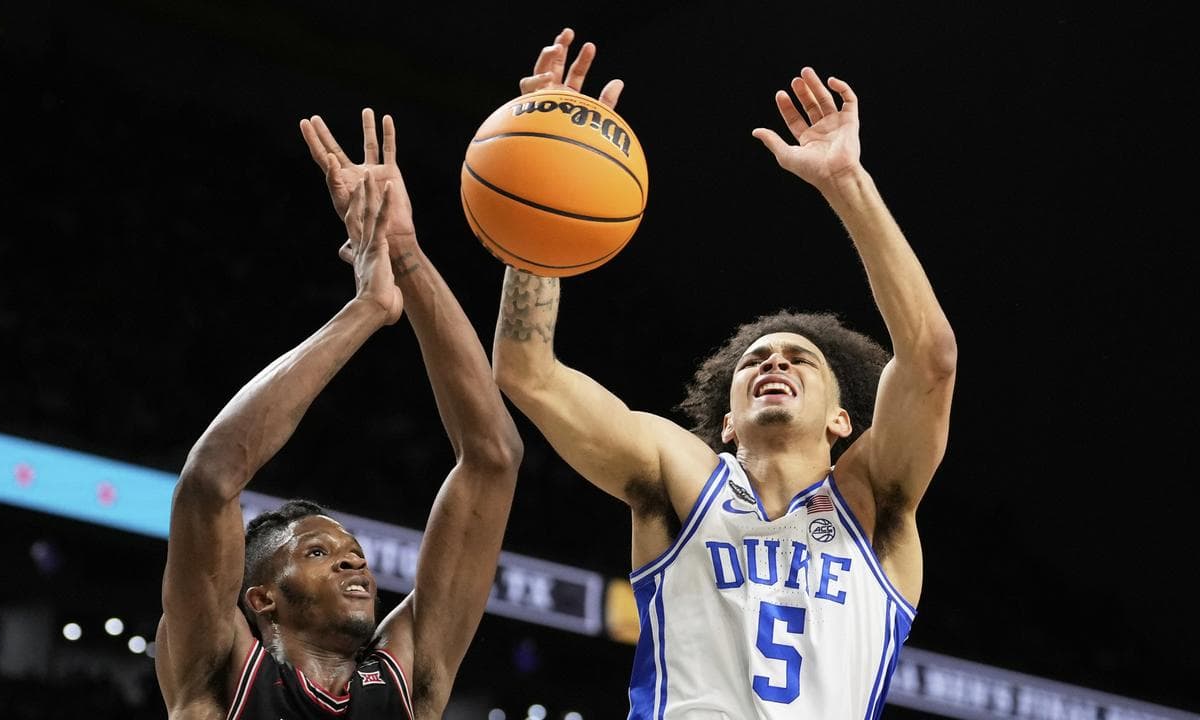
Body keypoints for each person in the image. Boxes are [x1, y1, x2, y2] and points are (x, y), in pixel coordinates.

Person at [492, 28, 957, 719]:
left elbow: (931, 358)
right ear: (728, 421)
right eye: (755, 361)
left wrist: (845, 183)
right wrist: (538, 194)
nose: (774, 360)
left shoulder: (872, 504)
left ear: (842, 419)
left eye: (800, 358)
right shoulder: (685, 474)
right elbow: (526, 372)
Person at [155, 108, 523, 719]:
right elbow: (211, 478)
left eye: (351, 550)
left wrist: (403, 253)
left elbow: (493, 458)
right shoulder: (220, 672)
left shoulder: (410, 679)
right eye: (319, 553)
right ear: (263, 598)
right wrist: (368, 309)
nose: (355, 560)